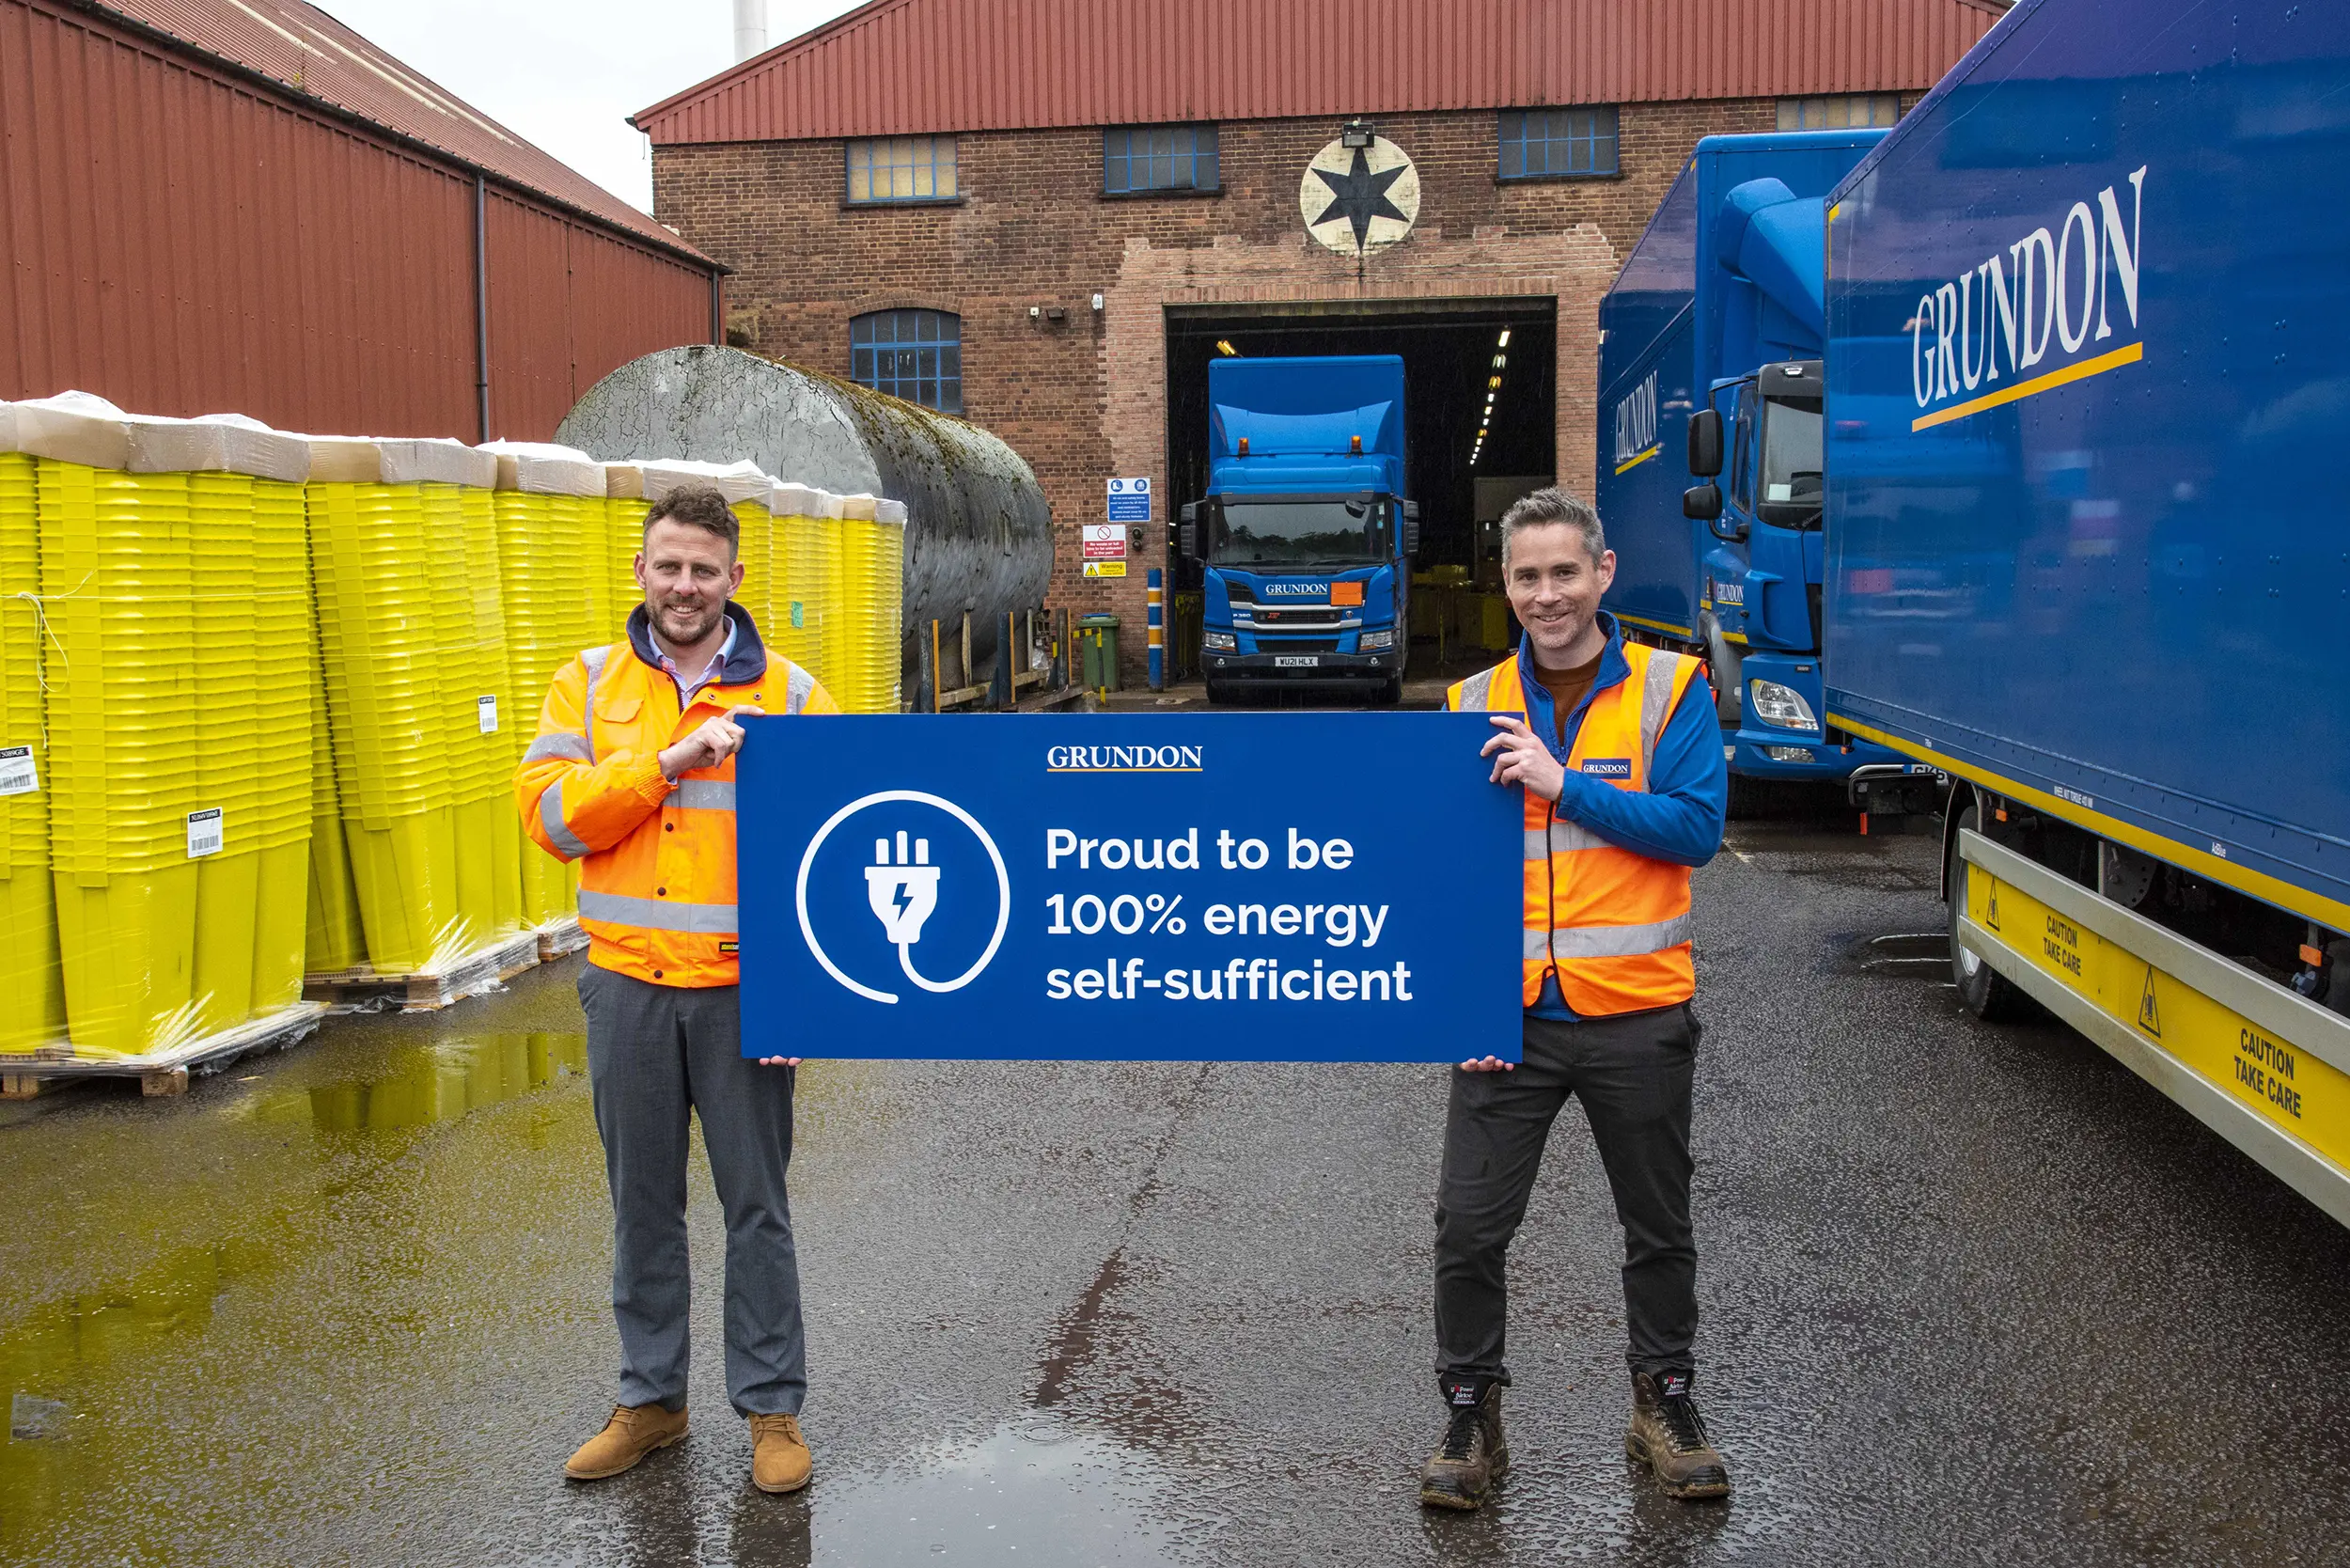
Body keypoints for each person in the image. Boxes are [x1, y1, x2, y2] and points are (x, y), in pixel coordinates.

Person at [516, 482, 838, 1495]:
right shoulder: (586, 685)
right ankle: (650, 1401)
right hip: (626, 989)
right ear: (641, 572)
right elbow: (554, 821)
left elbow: (827, 858)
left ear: (736, 579)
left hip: (746, 993)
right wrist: (661, 761)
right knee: (641, 1205)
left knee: (757, 1207)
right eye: (669, 566)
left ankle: (772, 1411)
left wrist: (804, 995)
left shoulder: (789, 694)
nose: (685, 585)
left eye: (704, 568)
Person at [1418, 488, 1731, 1511]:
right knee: (1469, 1229)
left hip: (1637, 1011)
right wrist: (1460, 1006)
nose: (1546, 594)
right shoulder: (1467, 705)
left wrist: (1563, 783)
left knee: (1657, 1228)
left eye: (1563, 572)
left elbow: (1692, 831)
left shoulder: (1670, 690)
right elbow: (1442, 877)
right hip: (1507, 1024)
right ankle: (1471, 1415)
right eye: (1525, 576)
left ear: (1601, 573)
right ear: (1504, 586)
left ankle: (1665, 1403)